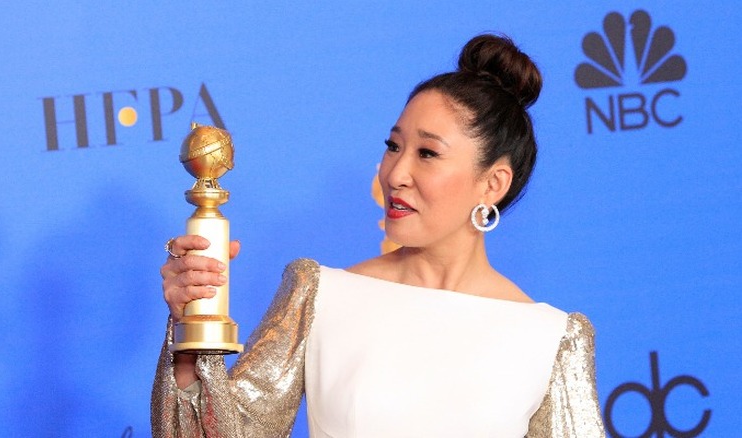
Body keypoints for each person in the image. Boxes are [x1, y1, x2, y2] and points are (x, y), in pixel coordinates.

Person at [152, 34, 605, 437]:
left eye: (427, 153)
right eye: (393, 146)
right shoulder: (319, 296)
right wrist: (191, 334)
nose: (395, 173)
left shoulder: (550, 339)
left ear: (493, 184)